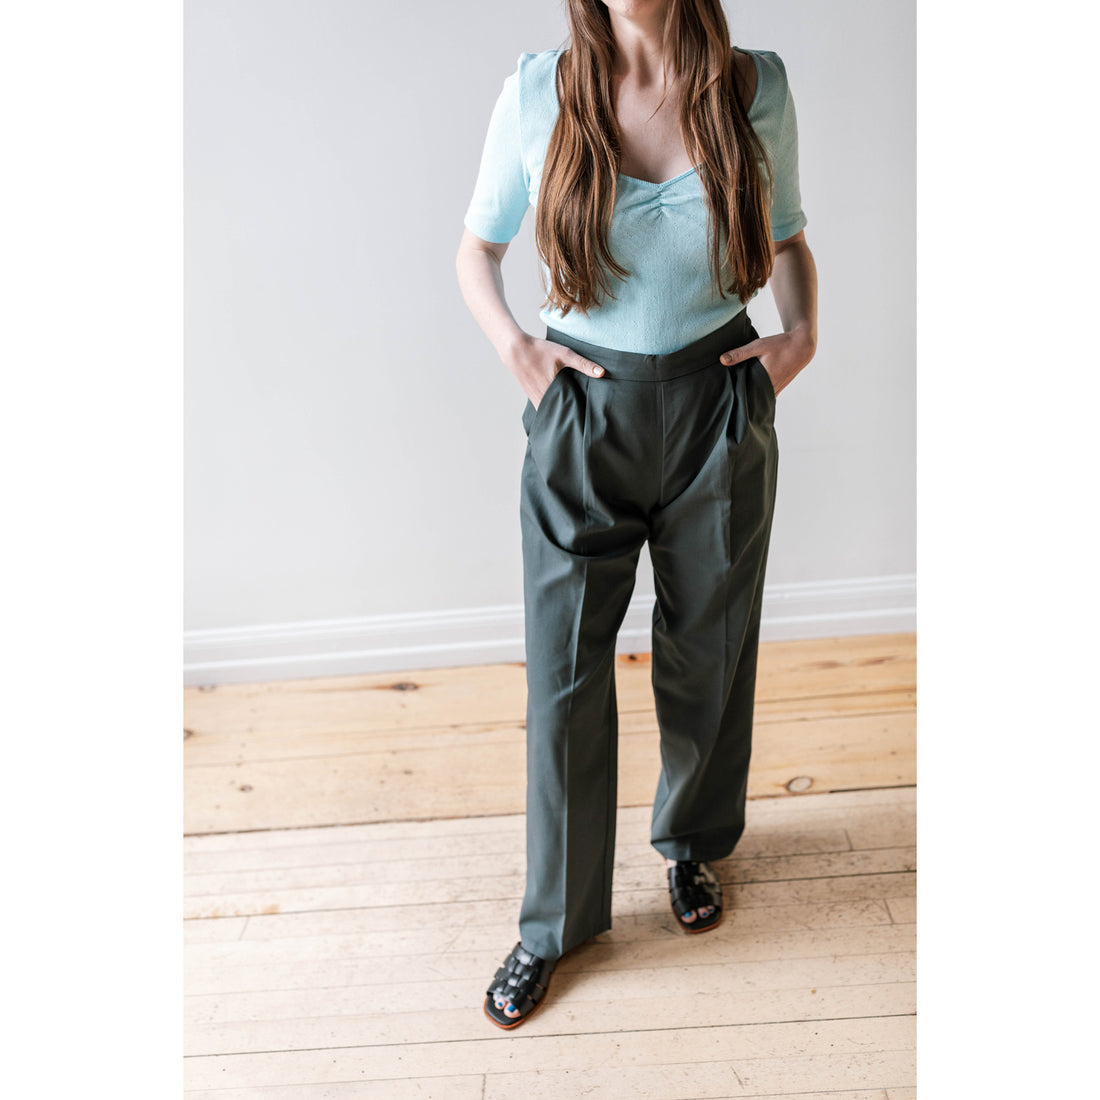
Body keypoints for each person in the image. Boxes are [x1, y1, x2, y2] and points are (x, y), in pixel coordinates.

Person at [454, 0, 818, 1030]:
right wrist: (520, 354)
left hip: (715, 403)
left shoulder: (754, 87)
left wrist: (800, 337)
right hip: (584, 413)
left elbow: (789, 237)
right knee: (565, 669)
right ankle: (552, 925)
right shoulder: (537, 90)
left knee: (708, 648)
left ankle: (691, 844)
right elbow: (474, 250)